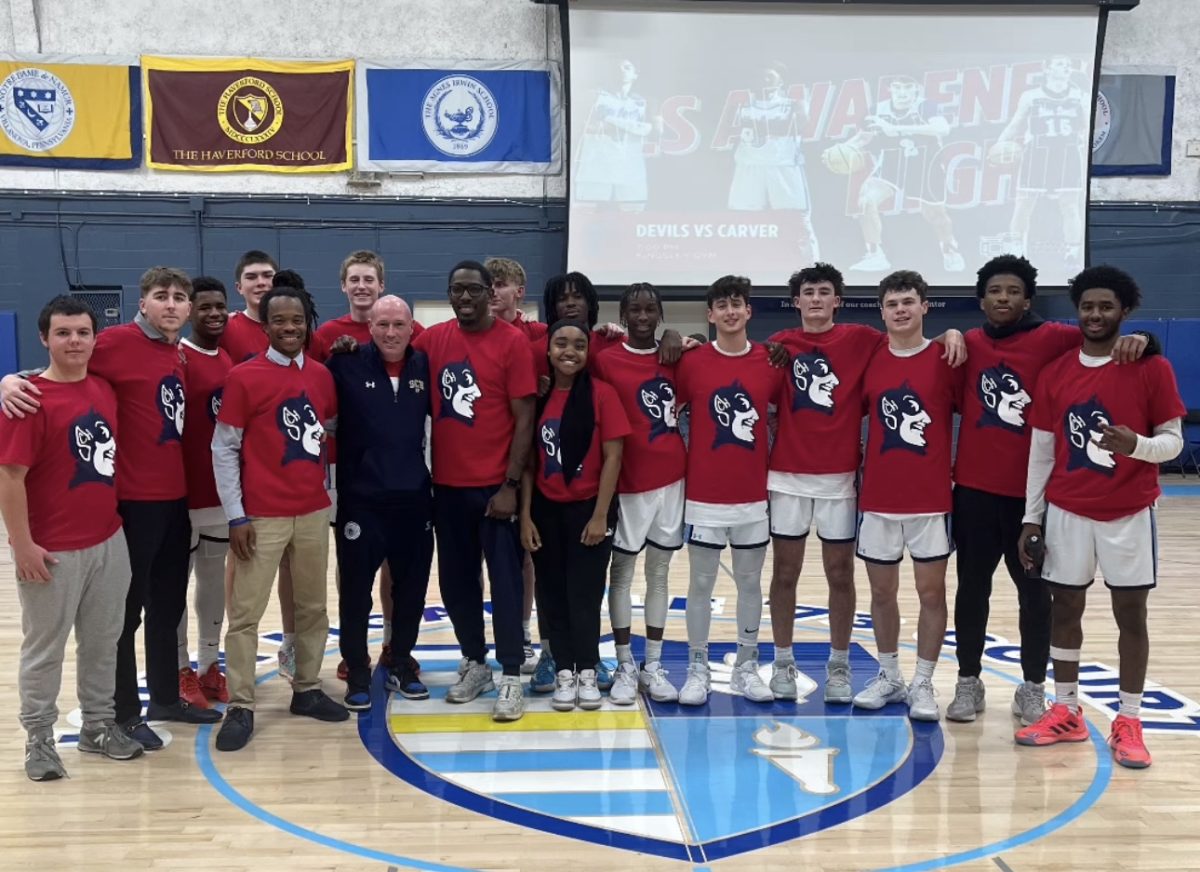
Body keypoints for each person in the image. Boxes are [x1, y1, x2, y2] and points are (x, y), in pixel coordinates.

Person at [3, 267, 223, 745]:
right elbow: (60, 366)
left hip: (174, 499)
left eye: (179, 298)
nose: (171, 305)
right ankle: (121, 714)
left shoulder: (176, 353)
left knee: (168, 607)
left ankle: (165, 696)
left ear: (187, 309)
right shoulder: (116, 342)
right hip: (132, 503)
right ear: (142, 303)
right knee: (124, 617)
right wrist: (7, 380)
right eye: (160, 296)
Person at [949, 255, 1150, 725]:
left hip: (1032, 498)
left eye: (1013, 291)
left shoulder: (1055, 337)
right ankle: (968, 681)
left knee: (1036, 595)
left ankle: (1033, 687)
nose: (1004, 298)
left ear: (1028, 299)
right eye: (995, 291)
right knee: (971, 589)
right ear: (982, 299)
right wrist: (948, 334)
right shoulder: (969, 344)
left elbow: (1104, 335)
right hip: (974, 492)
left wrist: (1146, 340)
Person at [765, 263, 965, 703]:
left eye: (824, 292)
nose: (815, 299)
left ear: (838, 300)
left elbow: (914, 343)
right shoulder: (778, 346)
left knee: (841, 574)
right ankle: (783, 663)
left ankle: (840, 667)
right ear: (795, 301)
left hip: (842, 479)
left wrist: (955, 333)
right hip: (787, 477)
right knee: (784, 573)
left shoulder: (865, 341)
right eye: (808, 293)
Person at [1016, 266, 1184, 770]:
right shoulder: (1057, 372)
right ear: (1077, 310)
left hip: (1129, 513)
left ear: (1124, 311)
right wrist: (1032, 518)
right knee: (1065, 610)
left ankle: (1129, 719)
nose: (1095, 314)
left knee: (1130, 615)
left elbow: (1173, 442)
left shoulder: (1152, 368)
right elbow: (1041, 453)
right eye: (1087, 306)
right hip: (1067, 511)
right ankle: (1066, 710)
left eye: (1105, 306)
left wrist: (1137, 445)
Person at [0, 296, 144, 780]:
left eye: (83, 332)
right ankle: (38, 739)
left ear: (94, 337)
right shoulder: (26, 400)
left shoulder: (104, 388)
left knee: (104, 642)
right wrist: (21, 545)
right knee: (45, 649)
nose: (74, 341)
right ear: (44, 338)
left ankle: (98, 727)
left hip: (108, 540)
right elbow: (10, 478)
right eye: (63, 333)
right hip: (53, 551)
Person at [212, 285, 348, 751]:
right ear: (265, 325)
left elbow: (325, 434)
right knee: (246, 614)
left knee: (313, 608)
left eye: (297, 320)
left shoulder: (322, 376)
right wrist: (236, 516)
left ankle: (307, 689)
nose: (290, 328)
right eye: (280, 321)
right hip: (260, 516)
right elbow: (224, 449)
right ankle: (241, 705)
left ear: (306, 323)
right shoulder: (244, 377)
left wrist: (327, 496)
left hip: (311, 512)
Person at [413, 260, 537, 722]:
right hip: (447, 485)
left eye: (473, 290)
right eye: (456, 290)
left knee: (505, 584)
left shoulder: (512, 343)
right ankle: (474, 662)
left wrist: (509, 485)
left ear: (490, 294)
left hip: (494, 488)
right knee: (456, 583)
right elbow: (391, 359)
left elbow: (525, 418)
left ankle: (509, 675)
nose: (464, 298)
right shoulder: (433, 339)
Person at [309, 251, 423, 680]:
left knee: (404, 576)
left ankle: (397, 646)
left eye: (368, 278)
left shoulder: (420, 354)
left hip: (408, 488)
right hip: (352, 481)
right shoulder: (333, 344)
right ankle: (353, 656)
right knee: (354, 575)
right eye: (353, 278)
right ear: (344, 285)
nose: (361, 285)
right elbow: (317, 395)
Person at [853, 270, 959, 721]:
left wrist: (956, 334)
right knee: (881, 594)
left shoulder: (948, 356)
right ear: (882, 311)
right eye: (892, 303)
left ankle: (923, 682)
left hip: (931, 500)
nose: (900, 310)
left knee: (931, 593)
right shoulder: (871, 358)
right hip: (878, 498)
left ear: (924, 307)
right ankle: (890, 674)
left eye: (908, 302)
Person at [675, 275, 784, 706]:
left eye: (737, 303)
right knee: (700, 584)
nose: (730, 312)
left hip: (754, 496)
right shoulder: (692, 361)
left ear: (748, 311)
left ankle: (746, 666)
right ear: (710, 315)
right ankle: (697, 666)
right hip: (703, 495)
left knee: (750, 583)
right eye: (722, 305)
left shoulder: (771, 361)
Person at [326, 295, 434, 710]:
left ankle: (401, 662)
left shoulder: (425, 366)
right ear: (369, 328)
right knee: (356, 593)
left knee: (412, 592)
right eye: (383, 325)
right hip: (361, 503)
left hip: (414, 502)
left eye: (399, 325)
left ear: (411, 328)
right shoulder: (345, 365)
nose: (391, 333)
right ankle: (356, 670)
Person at [521, 320, 630, 710]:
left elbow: (614, 456)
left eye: (580, 345)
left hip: (589, 509)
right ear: (548, 351)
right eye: (561, 344)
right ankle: (564, 669)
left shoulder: (603, 394)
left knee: (584, 594)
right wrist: (527, 516)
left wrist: (601, 515)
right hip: (546, 510)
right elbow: (530, 463)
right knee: (552, 595)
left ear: (588, 353)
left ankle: (588, 668)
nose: (570, 351)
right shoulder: (538, 399)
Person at [592, 283, 686, 704]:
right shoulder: (607, 360)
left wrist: (687, 338)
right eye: (635, 309)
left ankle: (653, 663)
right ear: (623, 315)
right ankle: (625, 662)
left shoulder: (678, 358)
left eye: (651, 309)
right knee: (623, 574)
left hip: (673, 477)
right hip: (628, 482)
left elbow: (705, 350)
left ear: (662, 315)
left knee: (660, 574)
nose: (644, 316)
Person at [834, 77, 964, 274]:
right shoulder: (877, 110)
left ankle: (949, 249)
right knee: (866, 200)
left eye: (908, 87)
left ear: (916, 89)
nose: (902, 92)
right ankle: (875, 255)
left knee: (937, 217)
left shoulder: (926, 107)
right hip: (891, 164)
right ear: (890, 89)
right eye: (897, 87)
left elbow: (942, 128)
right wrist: (845, 147)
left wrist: (896, 129)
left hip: (924, 166)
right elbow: (865, 136)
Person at [176, 277, 233, 709]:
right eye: (205, 307)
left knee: (213, 586)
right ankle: (180, 670)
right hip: (178, 494)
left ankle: (211, 665)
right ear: (190, 311)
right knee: (176, 589)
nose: (214, 314)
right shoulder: (177, 356)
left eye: (220, 307)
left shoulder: (228, 359)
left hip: (218, 494)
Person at [991, 57, 1088, 267]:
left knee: (1070, 205)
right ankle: (1015, 249)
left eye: (1067, 65)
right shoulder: (1031, 96)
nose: (1064, 68)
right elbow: (1016, 123)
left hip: (1068, 152)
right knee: (1024, 203)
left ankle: (1073, 252)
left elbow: (1088, 127)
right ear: (1047, 68)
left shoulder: (1081, 96)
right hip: (1037, 151)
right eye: (1059, 64)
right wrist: (999, 143)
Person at [728, 62, 819, 261]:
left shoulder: (794, 104)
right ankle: (741, 266)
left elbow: (802, 124)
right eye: (760, 77)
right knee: (743, 221)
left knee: (797, 221)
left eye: (770, 77)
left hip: (783, 167)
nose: (764, 81)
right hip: (749, 166)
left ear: (781, 81)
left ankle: (812, 268)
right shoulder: (742, 107)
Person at [574, 58, 654, 210]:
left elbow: (648, 129)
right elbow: (584, 124)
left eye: (627, 67)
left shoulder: (641, 103)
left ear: (635, 74)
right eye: (618, 67)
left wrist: (610, 120)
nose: (621, 70)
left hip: (629, 165)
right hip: (596, 164)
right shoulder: (594, 96)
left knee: (633, 212)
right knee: (585, 211)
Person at [220, 251, 277, 363]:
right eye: (251, 277)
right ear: (239, 287)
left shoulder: (295, 327)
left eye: (268, 276)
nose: (261, 283)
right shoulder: (225, 328)